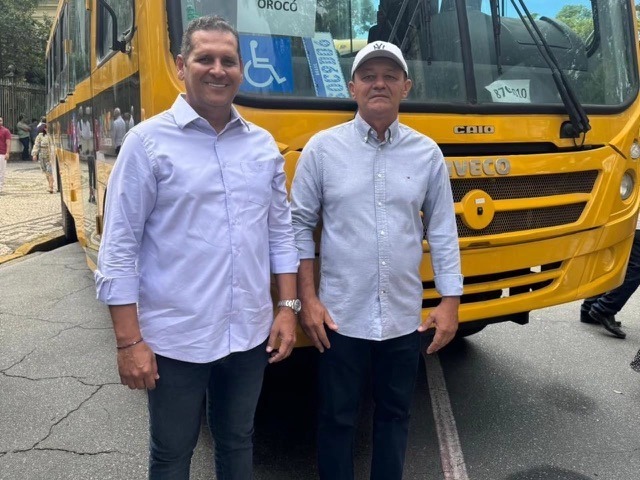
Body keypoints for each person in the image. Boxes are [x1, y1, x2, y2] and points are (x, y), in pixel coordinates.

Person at [94, 15, 299, 480]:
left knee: (238, 441)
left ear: (242, 70)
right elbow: (119, 249)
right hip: (175, 340)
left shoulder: (262, 146)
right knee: (172, 454)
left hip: (248, 335)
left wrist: (287, 308)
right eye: (205, 58)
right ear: (181, 66)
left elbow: (280, 234)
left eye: (228, 60)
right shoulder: (147, 144)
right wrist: (129, 342)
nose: (217, 70)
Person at [291, 41, 463, 480]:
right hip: (339, 317)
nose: (379, 84)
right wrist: (306, 301)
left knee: (395, 417)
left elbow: (443, 230)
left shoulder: (427, 154)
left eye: (390, 76)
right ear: (352, 88)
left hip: (403, 320)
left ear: (406, 86)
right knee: (336, 418)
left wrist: (450, 301)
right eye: (368, 76)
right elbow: (298, 227)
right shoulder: (322, 150)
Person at [580, 220, 640, 339]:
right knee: (635, 269)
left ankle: (589, 308)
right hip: (635, 224)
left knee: (614, 264)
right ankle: (604, 308)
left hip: (621, 221)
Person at [31, 122, 54, 193]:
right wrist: (34, 154)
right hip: (42, 155)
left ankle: (51, 186)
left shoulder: (53, 136)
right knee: (45, 171)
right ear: (44, 128)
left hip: (50, 155)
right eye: (46, 128)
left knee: (49, 170)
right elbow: (36, 145)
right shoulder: (40, 136)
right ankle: (49, 184)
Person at [0, 116, 12, 194]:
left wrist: (7, 153)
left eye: (0, 120)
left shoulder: (6, 131)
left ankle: (0, 188)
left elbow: (8, 143)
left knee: (1, 172)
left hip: (2, 154)